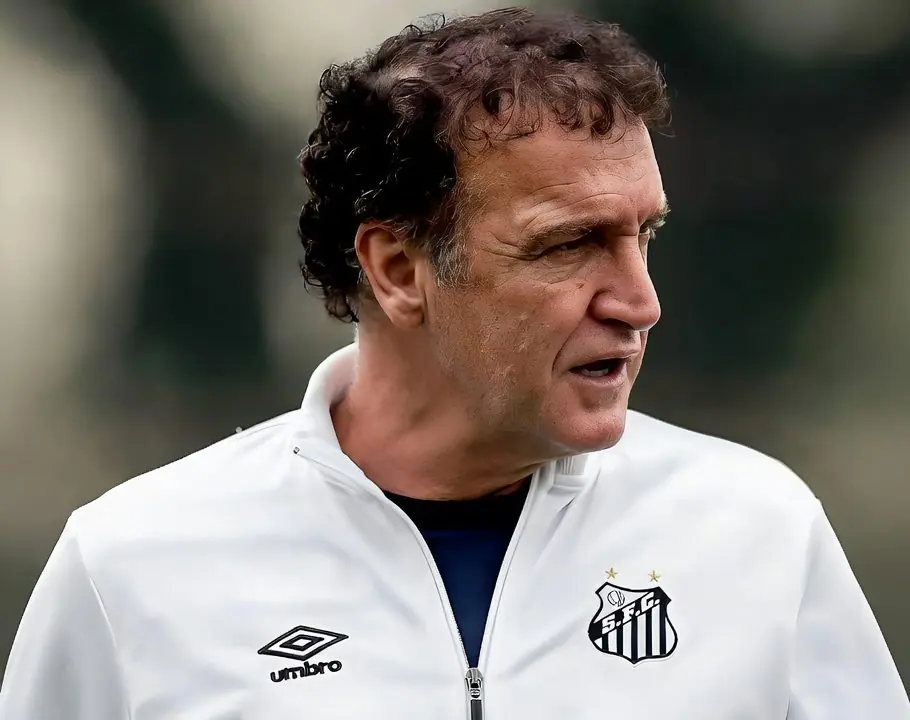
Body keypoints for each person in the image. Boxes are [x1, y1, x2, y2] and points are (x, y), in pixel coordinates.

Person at [1, 7, 907, 719]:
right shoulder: (131, 566)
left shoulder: (760, 534)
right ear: (399, 270)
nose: (639, 302)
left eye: (644, 237)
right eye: (568, 245)